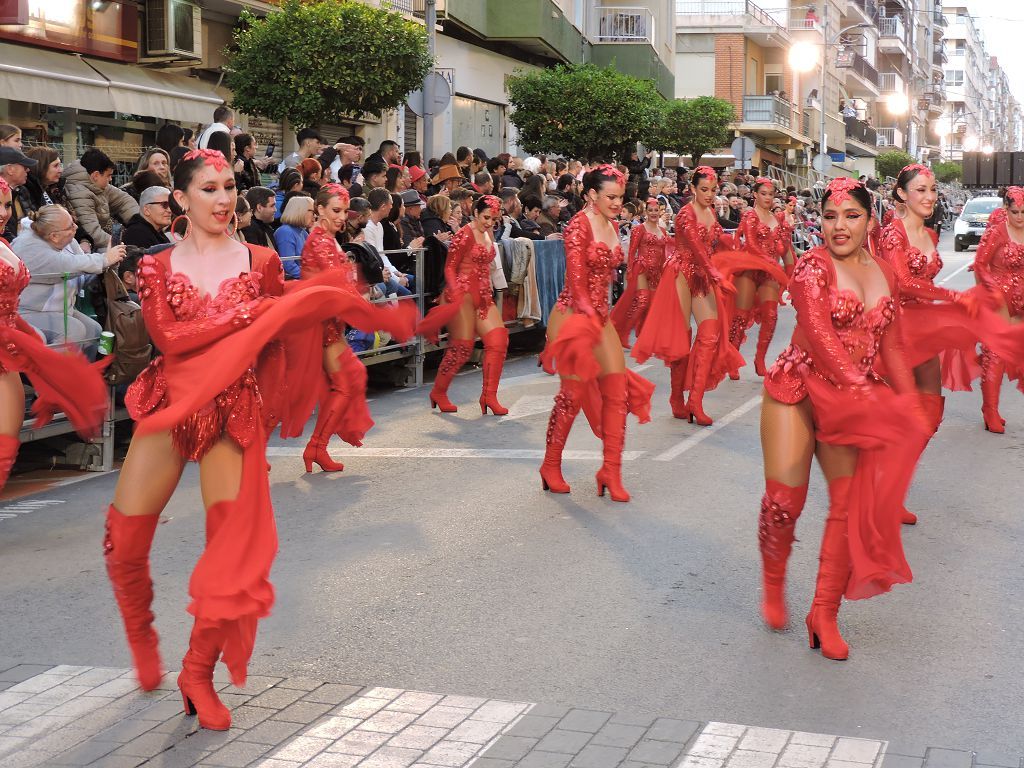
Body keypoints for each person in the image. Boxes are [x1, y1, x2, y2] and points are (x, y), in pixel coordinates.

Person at [102, 148, 415, 731]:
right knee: (124, 544)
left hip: (234, 413)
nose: (224, 200)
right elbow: (169, 340)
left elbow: (276, 344)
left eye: (229, 189)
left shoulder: (264, 260)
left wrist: (276, 385)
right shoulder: (155, 263)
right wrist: (250, 316)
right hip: (173, 404)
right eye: (209, 189)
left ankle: (198, 670)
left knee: (235, 554)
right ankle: (143, 634)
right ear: (181, 199)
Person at [758, 176, 927, 660]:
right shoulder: (811, 267)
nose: (839, 226)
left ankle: (823, 614)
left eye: (851, 216)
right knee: (784, 504)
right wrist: (860, 388)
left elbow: (892, 345)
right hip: (798, 390)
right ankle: (774, 584)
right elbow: (817, 332)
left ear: (870, 220)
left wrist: (908, 399)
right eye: (830, 216)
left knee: (848, 506)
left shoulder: (884, 272)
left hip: (852, 400)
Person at [539, 165, 654, 502]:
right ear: (591, 195)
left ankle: (611, 471)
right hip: (573, 314)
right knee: (572, 395)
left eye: (620, 197)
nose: (618, 203)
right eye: (611, 197)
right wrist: (588, 312)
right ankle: (550, 464)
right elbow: (575, 278)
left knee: (617, 391)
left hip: (598, 316)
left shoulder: (612, 223)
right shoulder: (578, 226)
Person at [0, 178, 108, 491]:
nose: (3, 212)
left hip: (9, 350)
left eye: (7, 204)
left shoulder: (6, 244)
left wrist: (34, 350)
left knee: (5, 452)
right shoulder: (24, 246)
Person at [632, 167, 741, 426]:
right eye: (704, 189)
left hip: (703, 276)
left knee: (710, 335)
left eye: (713, 190)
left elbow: (712, 246)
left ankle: (696, 399)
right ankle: (675, 398)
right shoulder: (685, 214)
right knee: (681, 341)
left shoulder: (712, 212)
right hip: (681, 274)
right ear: (692, 189)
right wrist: (716, 275)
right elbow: (696, 249)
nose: (709, 194)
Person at [299, 184, 374, 472]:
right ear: (319, 210)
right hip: (320, 327)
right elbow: (337, 285)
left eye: (344, 211)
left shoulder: (328, 239)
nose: (342, 217)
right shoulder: (320, 241)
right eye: (336, 211)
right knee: (342, 384)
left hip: (330, 324)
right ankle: (315, 447)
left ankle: (317, 447)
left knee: (349, 379)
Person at [417, 196, 509, 415]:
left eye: (494, 219)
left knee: (498, 341)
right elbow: (449, 268)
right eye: (486, 217)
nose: (489, 223)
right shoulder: (464, 235)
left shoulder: (488, 231)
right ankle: (439, 392)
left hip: (483, 295)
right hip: (463, 296)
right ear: (475, 213)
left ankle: (489, 396)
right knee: (462, 348)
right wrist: (456, 291)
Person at [12, 205, 126, 347]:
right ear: (54, 236)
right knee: (73, 330)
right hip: (27, 311)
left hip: (60, 309)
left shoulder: (66, 239)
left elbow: (82, 273)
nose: (76, 227)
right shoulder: (28, 247)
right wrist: (105, 259)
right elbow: (67, 264)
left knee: (94, 331)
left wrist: (109, 264)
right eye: (71, 226)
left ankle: (84, 368)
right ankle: (54, 369)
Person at [722, 178, 794, 378]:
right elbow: (752, 245)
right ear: (755, 195)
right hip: (749, 269)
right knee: (740, 317)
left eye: (771, 194)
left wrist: (786, 234)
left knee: (771, 316)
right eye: (763, 194)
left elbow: (783, 248)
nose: (768, 198)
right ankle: (732, 360)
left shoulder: (777, 218)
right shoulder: (750, 216)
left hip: (769, 272)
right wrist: (768, 261)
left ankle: (759, 359)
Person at [971, 186, 1024, 432]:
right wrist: (991, 293)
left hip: (1022, 299)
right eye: (1015, 212)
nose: (1020, 217)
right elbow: (980, 265)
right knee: (996, 353)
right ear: (1006, 210)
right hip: (999, 298)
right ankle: (990, 408)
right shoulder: (997, 232)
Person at [611, 198, 669, 347]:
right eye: (650, 211)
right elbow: (632, 251)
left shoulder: (663, 231)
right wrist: (630, 270)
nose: (654, 213)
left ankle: (645, 336)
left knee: (653, 305)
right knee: (642, 301)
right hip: (641, 268)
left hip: (657, 271)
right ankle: (622, 333)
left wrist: (664, 272)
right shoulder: (639, 229)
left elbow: (663, 253)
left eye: (656, 210)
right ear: (645, 212)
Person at [63, 149, 139, 250]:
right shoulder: (80, 193)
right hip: (87, 247)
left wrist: (139, 224)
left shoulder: (96, 184)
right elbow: (93, 234)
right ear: (96, 175)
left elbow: (124, 201)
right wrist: (122, 243)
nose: (110, 179)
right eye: (108, 175)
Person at [274, 195, 313, 280]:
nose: (315, 216)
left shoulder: (303, 232)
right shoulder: (285, 232)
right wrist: (312, 278)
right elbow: (288, 265)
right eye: (311, 211)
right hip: (293, 282)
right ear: (299, 211)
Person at [0, 146, 35, 241]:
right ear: (10, 169)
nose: (28, 170)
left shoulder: (22, 191)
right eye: (25, 166)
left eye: (7, 206)